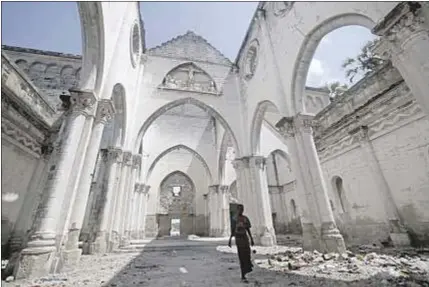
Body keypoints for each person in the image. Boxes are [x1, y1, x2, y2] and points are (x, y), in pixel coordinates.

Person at [228, 204, 254, 283]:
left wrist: (251, 239)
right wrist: (230, 240)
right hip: (239, 240)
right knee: (241, 256)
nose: (240, 210)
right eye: (239, 209)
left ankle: (247, 268)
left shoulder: (245, 218)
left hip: (245, 239)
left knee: (247, 254)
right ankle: (243, 274)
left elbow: (248, 229)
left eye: (242, 209)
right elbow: (233, 230)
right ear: (237, 210)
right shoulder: (234, 219)